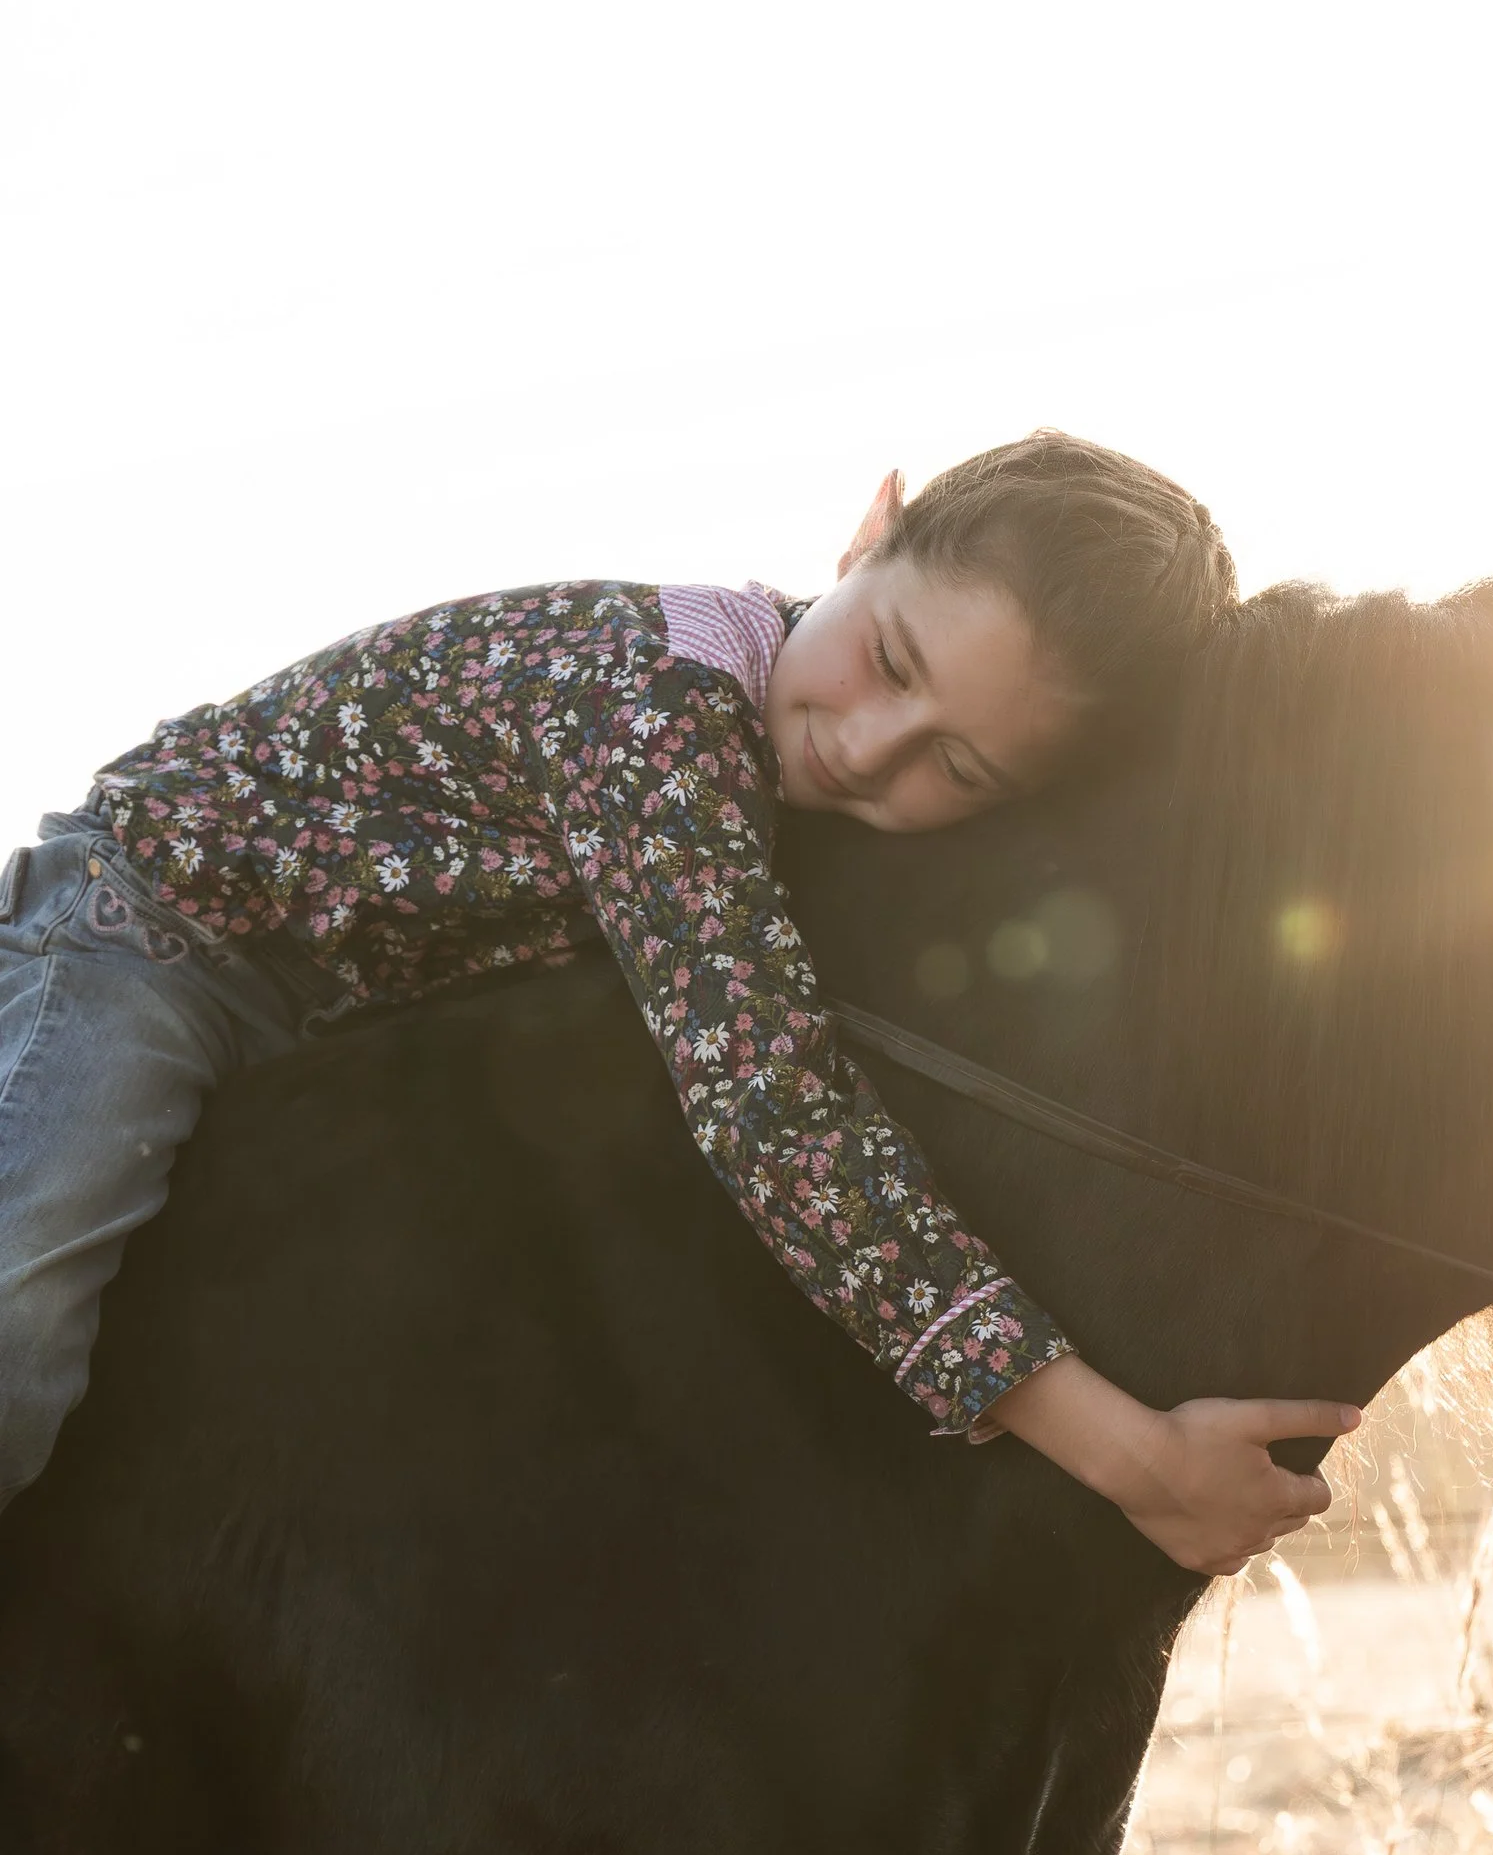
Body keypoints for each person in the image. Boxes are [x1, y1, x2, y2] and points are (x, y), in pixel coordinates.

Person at [0, 432, 1356, 1569]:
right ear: (866, 532)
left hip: (333, 1025)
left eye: (961, 770)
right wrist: (1129, 1454)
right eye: (890, 661)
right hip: (149, 931)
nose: (867, 753)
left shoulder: (767, 787)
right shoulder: (655, 707)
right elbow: (768, 1103)